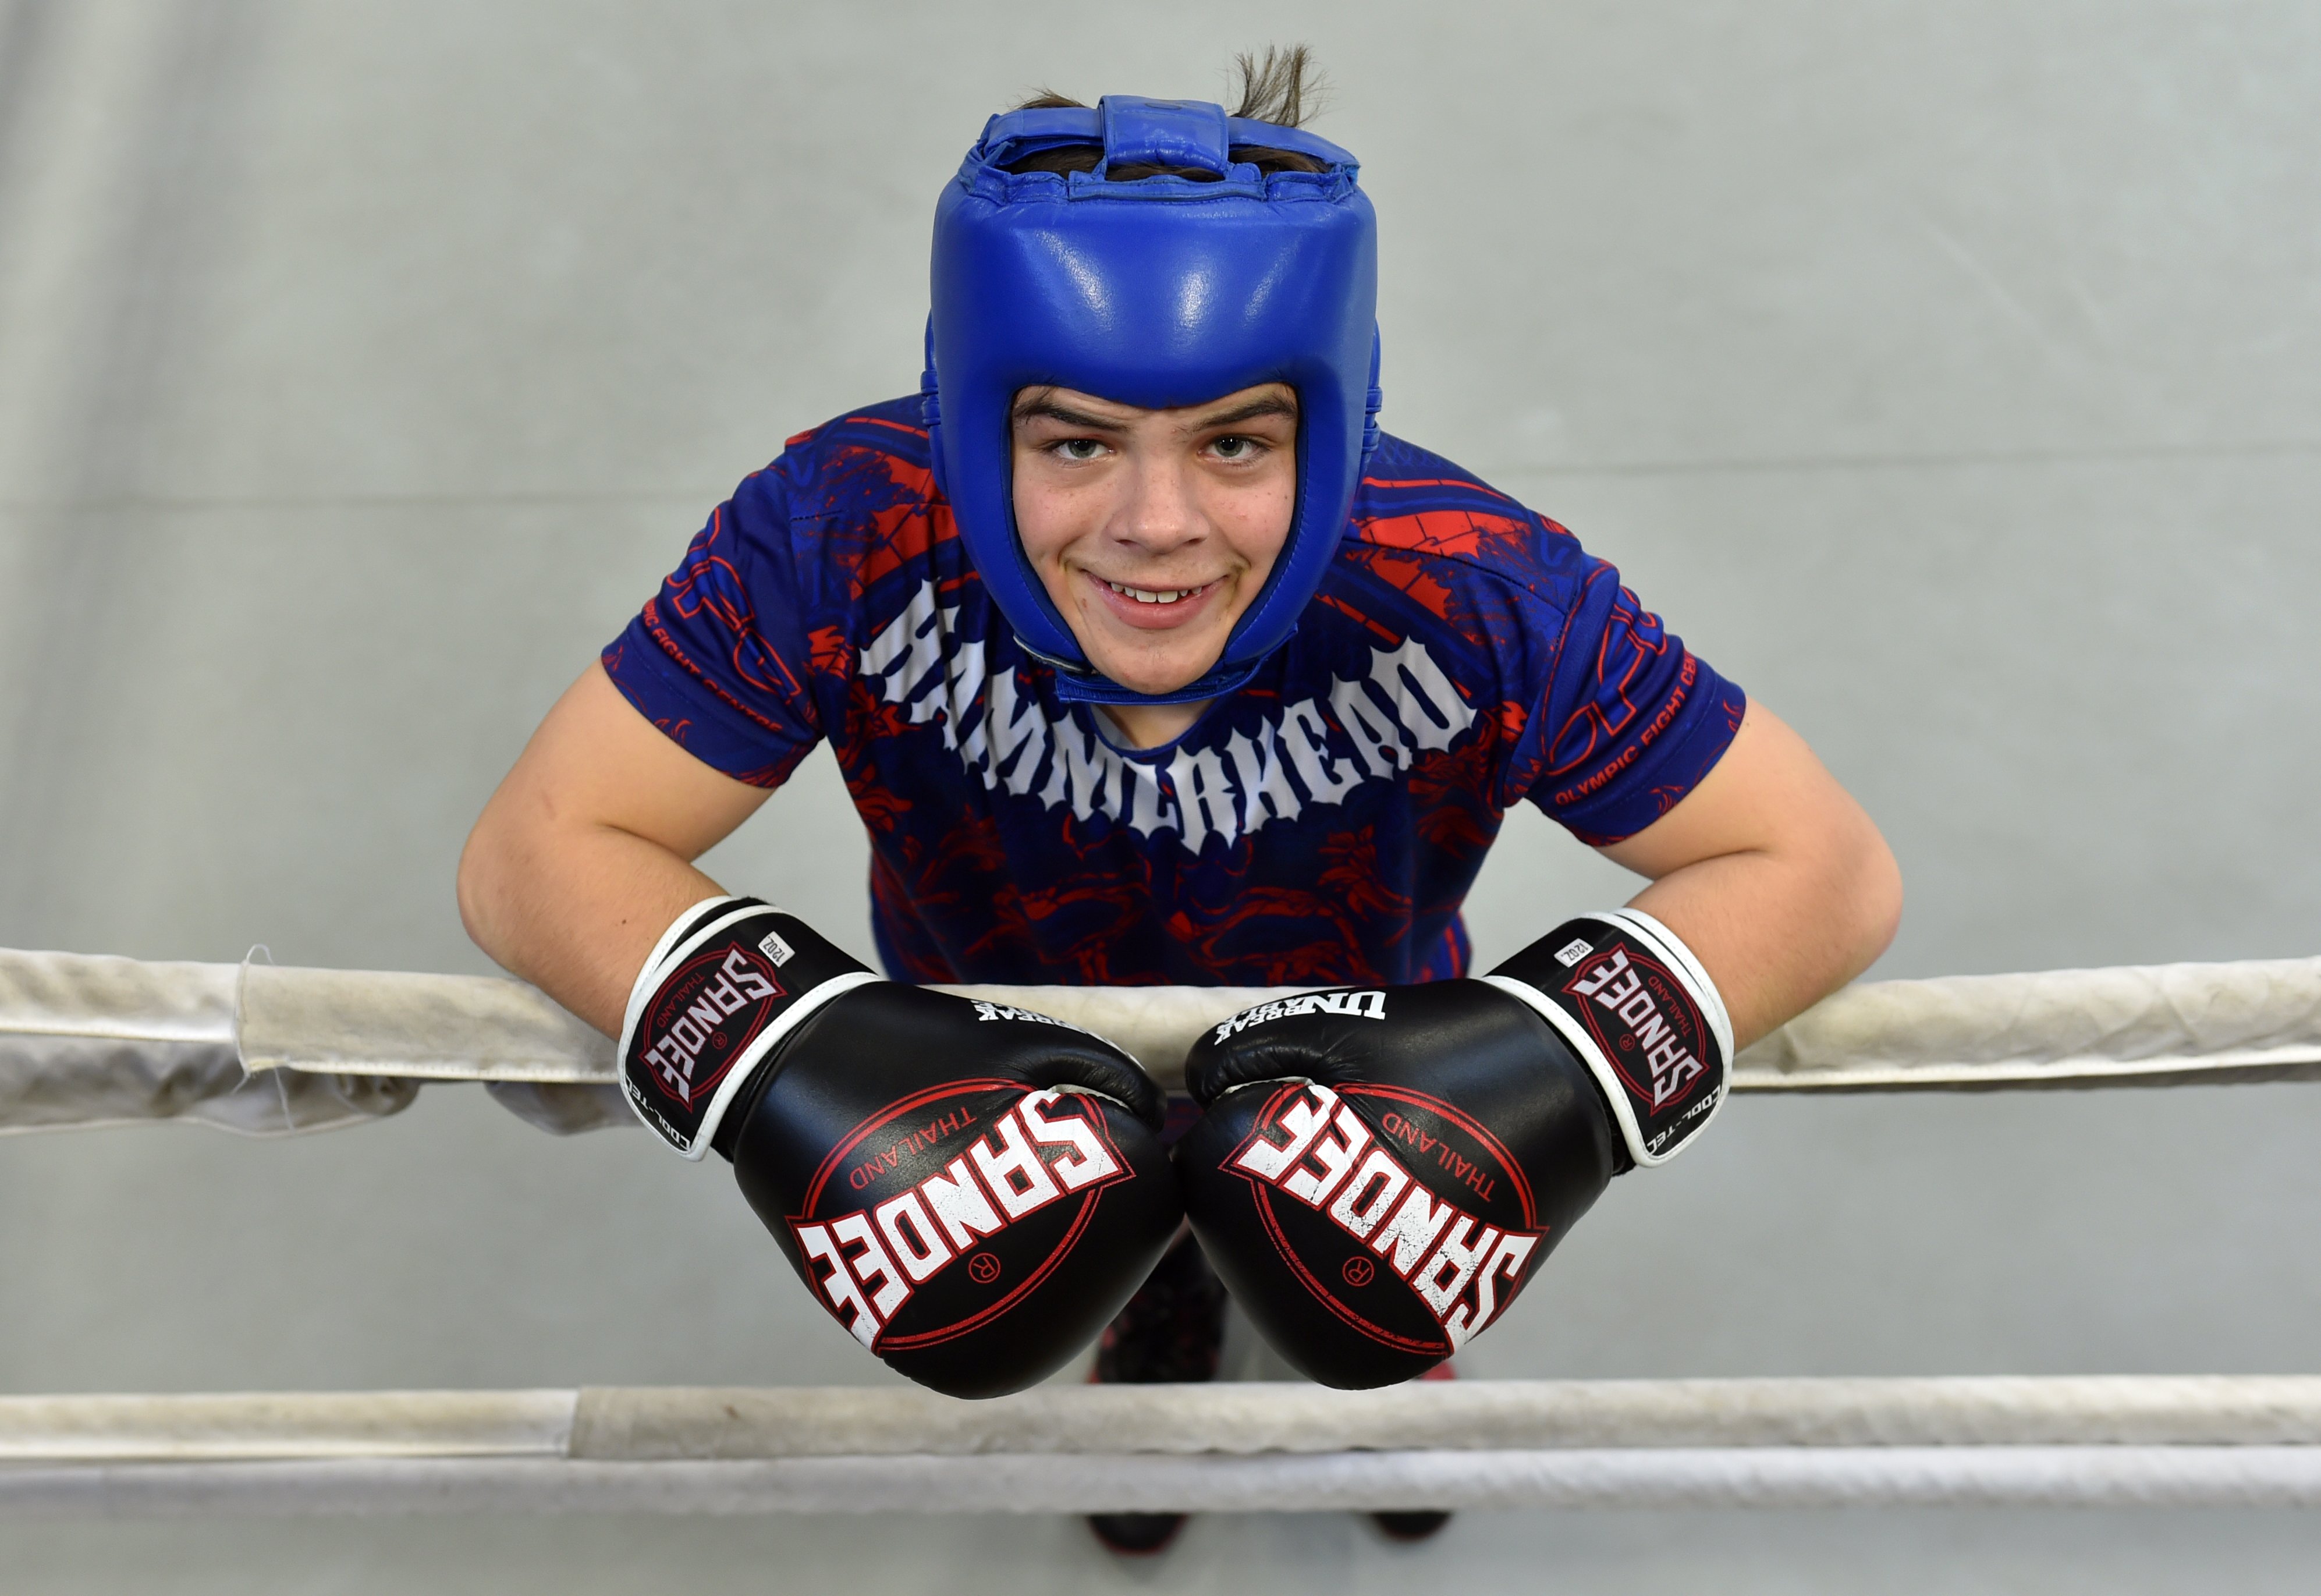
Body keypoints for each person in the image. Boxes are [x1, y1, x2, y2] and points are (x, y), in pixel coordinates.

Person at [457, 48, 1901, 1554]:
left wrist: (1554, 1070)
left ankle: (1398, 1374)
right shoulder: (842, 529)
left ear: (1328, 426)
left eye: (1234, 443)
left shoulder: (1470, 587)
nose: (1156, 527)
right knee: (1129, 1280)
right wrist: (779, 1046)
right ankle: (1156, 1346)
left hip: (1368, 1066)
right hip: (1004, 1070)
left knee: (1380, 1280)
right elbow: (539, 846)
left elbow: (1817, 863)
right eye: (1075, 440)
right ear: (974, 421)